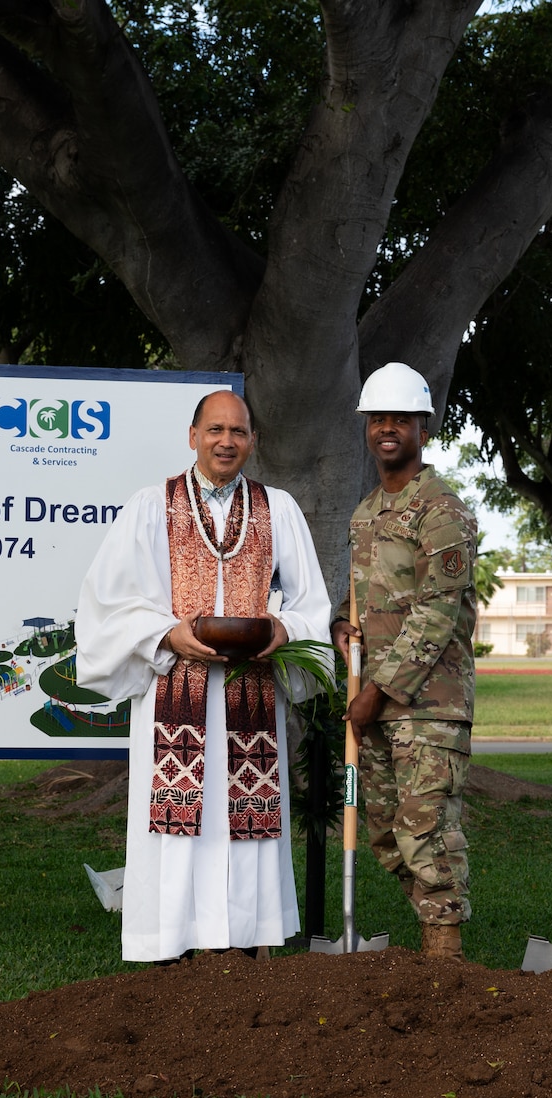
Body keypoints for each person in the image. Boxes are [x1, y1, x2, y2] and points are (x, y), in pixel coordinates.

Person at [76, 389, 333, 962]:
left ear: (252, 441)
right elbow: (108, 603)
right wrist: (166, 635)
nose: (226, 441)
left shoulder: (277, 509)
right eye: (215, 430)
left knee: (243, 817)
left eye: (238, 432)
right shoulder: (151, 506)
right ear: (192, 436)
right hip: (174, 693)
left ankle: (244, 944)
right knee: (178, 822)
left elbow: (312, 602)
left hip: (252, 700)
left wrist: (281, 631)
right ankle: (171, 944)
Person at [330, 363, 479, 958]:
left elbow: (437, 614)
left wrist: (377, 691)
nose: (388, 428)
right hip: (379, 705)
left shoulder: (442, 510)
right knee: (387, 834)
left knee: (428, 834)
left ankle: (445, 960)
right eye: (378, 419)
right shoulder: (367, 511)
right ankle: (430, 945)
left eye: (401, 419)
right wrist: (343, 621)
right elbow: (368, 593)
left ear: (424, 427)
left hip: (428, 705)